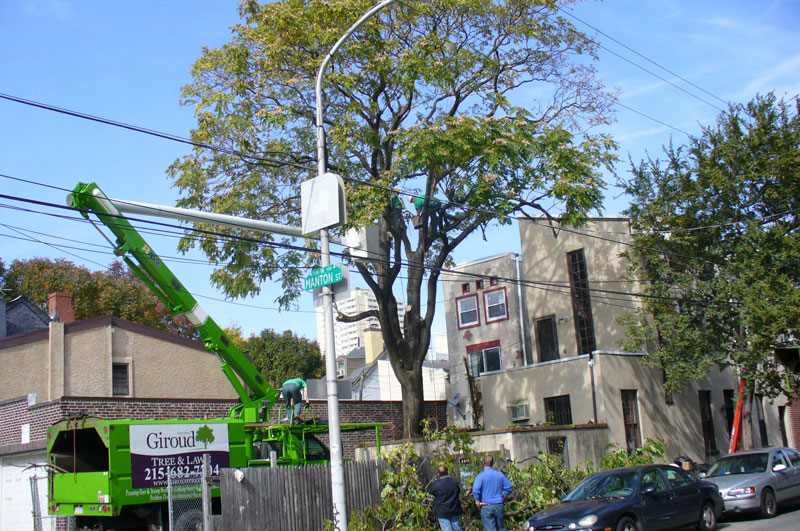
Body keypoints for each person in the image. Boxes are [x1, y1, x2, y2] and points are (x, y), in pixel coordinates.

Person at [472, 455, 512, 531]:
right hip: (498, 505)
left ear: (483, 463)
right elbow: (509, 487)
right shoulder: (500, 475)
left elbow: (476, 490)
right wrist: (504, 497)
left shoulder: (480, 476)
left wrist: (477, 501)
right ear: (492, 463)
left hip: (486, 506)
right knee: (501, 528)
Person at [428, 464, 463, 531]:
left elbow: (431, 492)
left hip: (441, 511)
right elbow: (458, 491)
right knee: (457, 528)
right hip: (454, 509)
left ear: (438, 473)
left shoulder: (436, 484)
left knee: (447, 529)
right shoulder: (455, 482)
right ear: (447, 471)